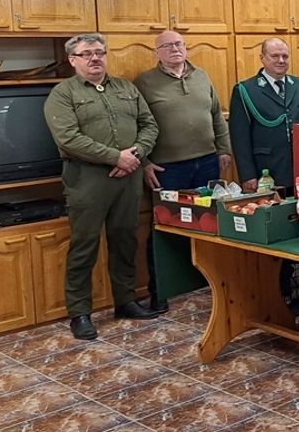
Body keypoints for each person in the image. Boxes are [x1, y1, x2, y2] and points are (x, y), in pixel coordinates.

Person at [43, 33, 160, 340]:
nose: (95, 58)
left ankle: (125, 301)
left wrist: (134, 155)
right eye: (86, 54)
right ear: (73, 60)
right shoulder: (62, 94)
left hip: (129, 176)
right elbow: (68, 138)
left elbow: (149, 125)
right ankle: (79, 312)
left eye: (99, 52)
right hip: (88, 179)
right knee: (85, 246)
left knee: (125, 240)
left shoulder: (125, 87)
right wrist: (115, 158)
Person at [134, 30, 232, 312]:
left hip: (207, 164)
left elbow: (216, 114)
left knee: (210, 225)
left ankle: (209, 286)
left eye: (179, 44)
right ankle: (159, 292)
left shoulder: (201, 75)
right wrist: (144, 162)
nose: (174, 49)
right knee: (164, 229)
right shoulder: (145, 82)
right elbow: (136, 124)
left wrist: (224, 149)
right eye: (167, 46)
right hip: (168, 169)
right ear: (157, 52)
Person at [228, 37, 299, 193]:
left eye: (285, 56)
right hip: (266, 172)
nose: (281, 60)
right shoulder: (245, 89)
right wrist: (247, 175)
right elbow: (240, 137)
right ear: (262, 58)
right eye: (275, 56)